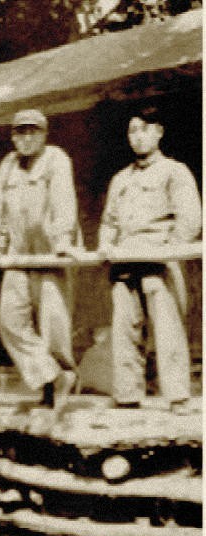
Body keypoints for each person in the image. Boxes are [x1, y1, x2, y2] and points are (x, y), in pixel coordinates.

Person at [97, 106, 201, 414]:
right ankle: (128, 395)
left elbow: (190, 219)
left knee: (167, 329)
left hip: (159, 261)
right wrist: (105, 244)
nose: (138, 137)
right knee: (125, 329)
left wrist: (169, 247)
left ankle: (178, 396)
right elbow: (109, 222)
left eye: (144, 129)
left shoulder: (174, 171)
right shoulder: (121, 179)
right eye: (132, 131)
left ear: (159, 132)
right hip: (125, 262)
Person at [0, 109, 80, 410]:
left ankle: (60, 382)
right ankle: (52, 377)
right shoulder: (8, 164)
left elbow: (64, 202)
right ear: (13, 137)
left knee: (53, 322)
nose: (26, 138)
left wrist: (63, 240)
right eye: (20, 132)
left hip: (50, 252)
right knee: (10, 322)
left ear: (44, 134)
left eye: (33, 132)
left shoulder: (56, 159)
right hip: (18, 254)